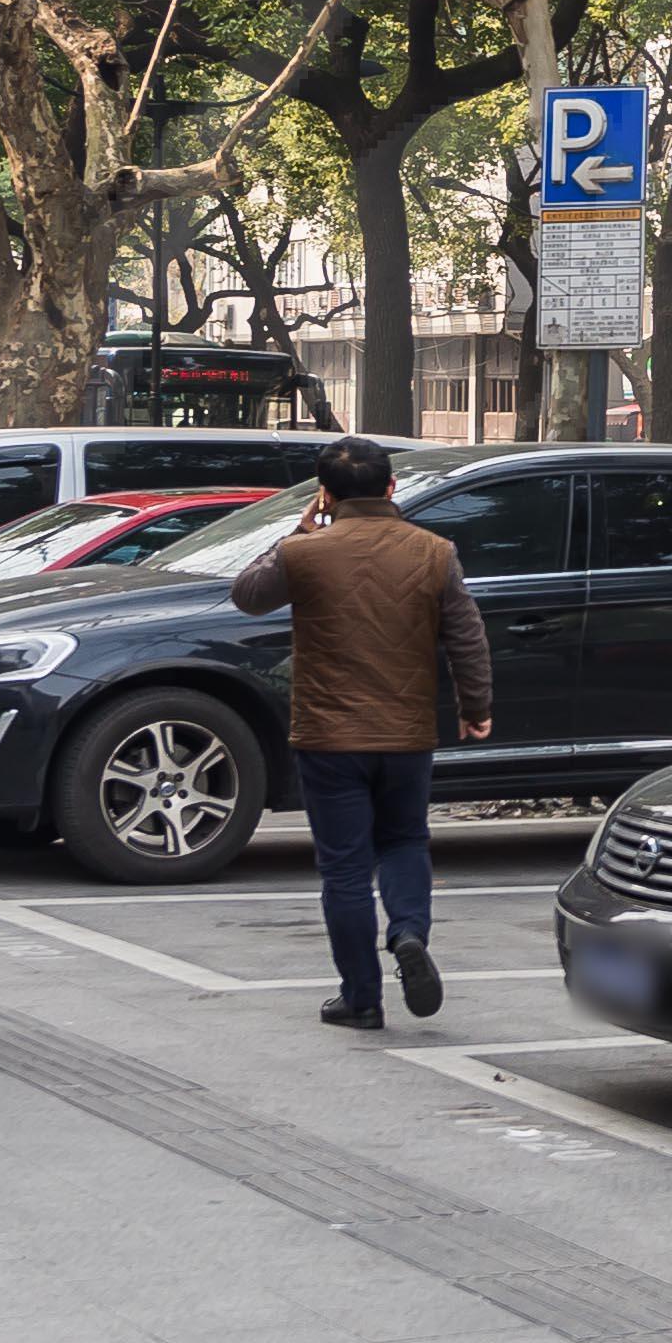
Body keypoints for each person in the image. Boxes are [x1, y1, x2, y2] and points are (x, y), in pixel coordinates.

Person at [223, 438, 492, 1033]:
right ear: (392, 488)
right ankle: (408, 934)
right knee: (404, 842)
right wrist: (476, 707)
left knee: (344, 869)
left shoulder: (305, 553)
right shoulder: (434, 552)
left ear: (326, 494)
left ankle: (361, 998)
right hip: (406, 731)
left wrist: (296, 533)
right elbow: (466, 636)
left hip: (328, 734)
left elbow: (247, 596)